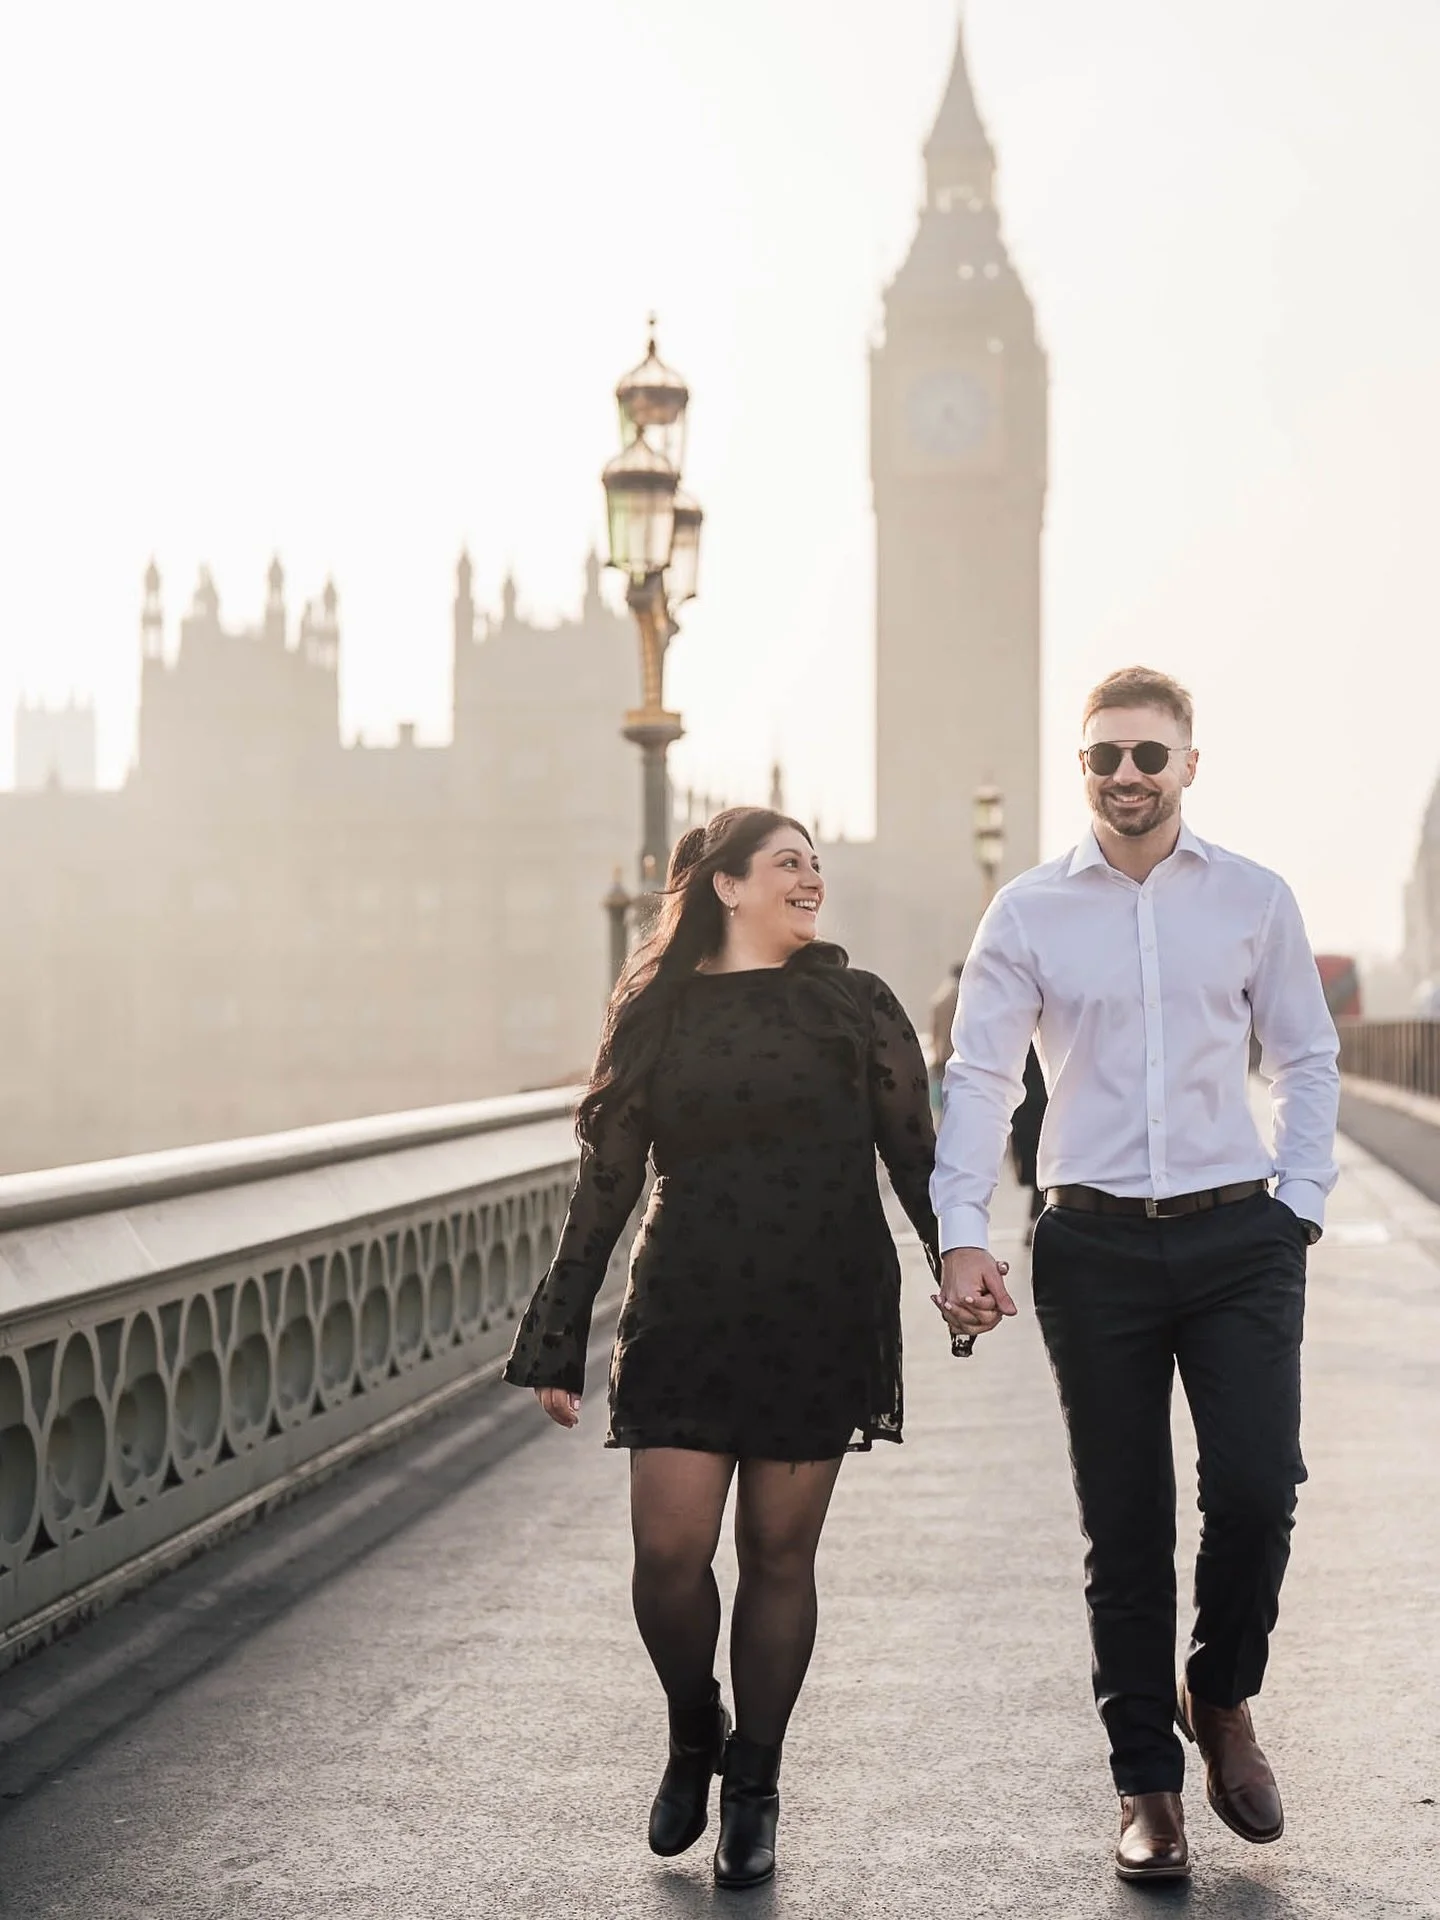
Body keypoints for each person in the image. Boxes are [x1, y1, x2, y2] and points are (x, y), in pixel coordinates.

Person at [932, 667, 1339, 1883]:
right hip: (1094, 1244)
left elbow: (1309, 1059)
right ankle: (1146, 1786)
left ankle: (1219, 1697)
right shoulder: (1027, 913)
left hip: (1237, 1239)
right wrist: (963, 1230)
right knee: (1126, 1522)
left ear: (1189, 767)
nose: (1124, 775)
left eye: (1148, 756)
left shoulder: (1255, 900)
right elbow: (978, 1079)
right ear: (1084, 768)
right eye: (1104, 755)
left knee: (1259, 1491)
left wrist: (1298, 1208)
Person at [504, 806, 941, 1891]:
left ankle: (755, 1782)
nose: (812, 879)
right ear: (728, 886)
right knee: (668, 1554)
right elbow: (605, 1182)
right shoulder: (656, 1013)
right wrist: (558, 1332)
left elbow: (918, 1159)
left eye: (817, 864)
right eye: (789, 864)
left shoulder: (859, 1003)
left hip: (820, 1301)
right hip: (689, 1299)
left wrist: (957, 1260)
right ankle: (695, 1726)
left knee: (780, 1559)